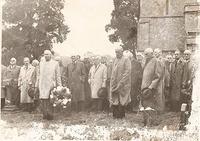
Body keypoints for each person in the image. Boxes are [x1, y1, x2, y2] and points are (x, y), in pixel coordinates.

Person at [35, 50, 62, 120]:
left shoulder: (55, 63)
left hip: (51, 84)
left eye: (47, 54)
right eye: (45, 54)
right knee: (43, 100)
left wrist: (59, 86)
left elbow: (58, 75)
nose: (46, 56)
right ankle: (44, 114)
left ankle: (50, 115)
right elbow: (38, 75)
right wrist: (37, 85)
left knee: (50, 100)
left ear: (50, 55)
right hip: (42, 84)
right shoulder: (41, 63)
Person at [141, 48, 162, 126]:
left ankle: (151, 122)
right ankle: (146, 120)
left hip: (151, 88)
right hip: (144, 88)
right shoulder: (145, 61)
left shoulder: (156, 61)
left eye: (146, 54)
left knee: (150, 106)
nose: (145, 55)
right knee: (144, 105)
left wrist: (151, 86)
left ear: (151, 54)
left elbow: (158, 76)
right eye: (144, 54)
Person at [110, 47, 131, 119]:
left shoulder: (126, 60)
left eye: (118, 52)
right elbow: (113, 71)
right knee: (115, 99)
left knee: (122, 100)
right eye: (115, 52)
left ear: (122, 52)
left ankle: (121, 116)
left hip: (123, 84)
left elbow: (127, 72)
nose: (117, 54)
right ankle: (115, 115)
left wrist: (121, 83)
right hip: (114, 83)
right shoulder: (115, 60)